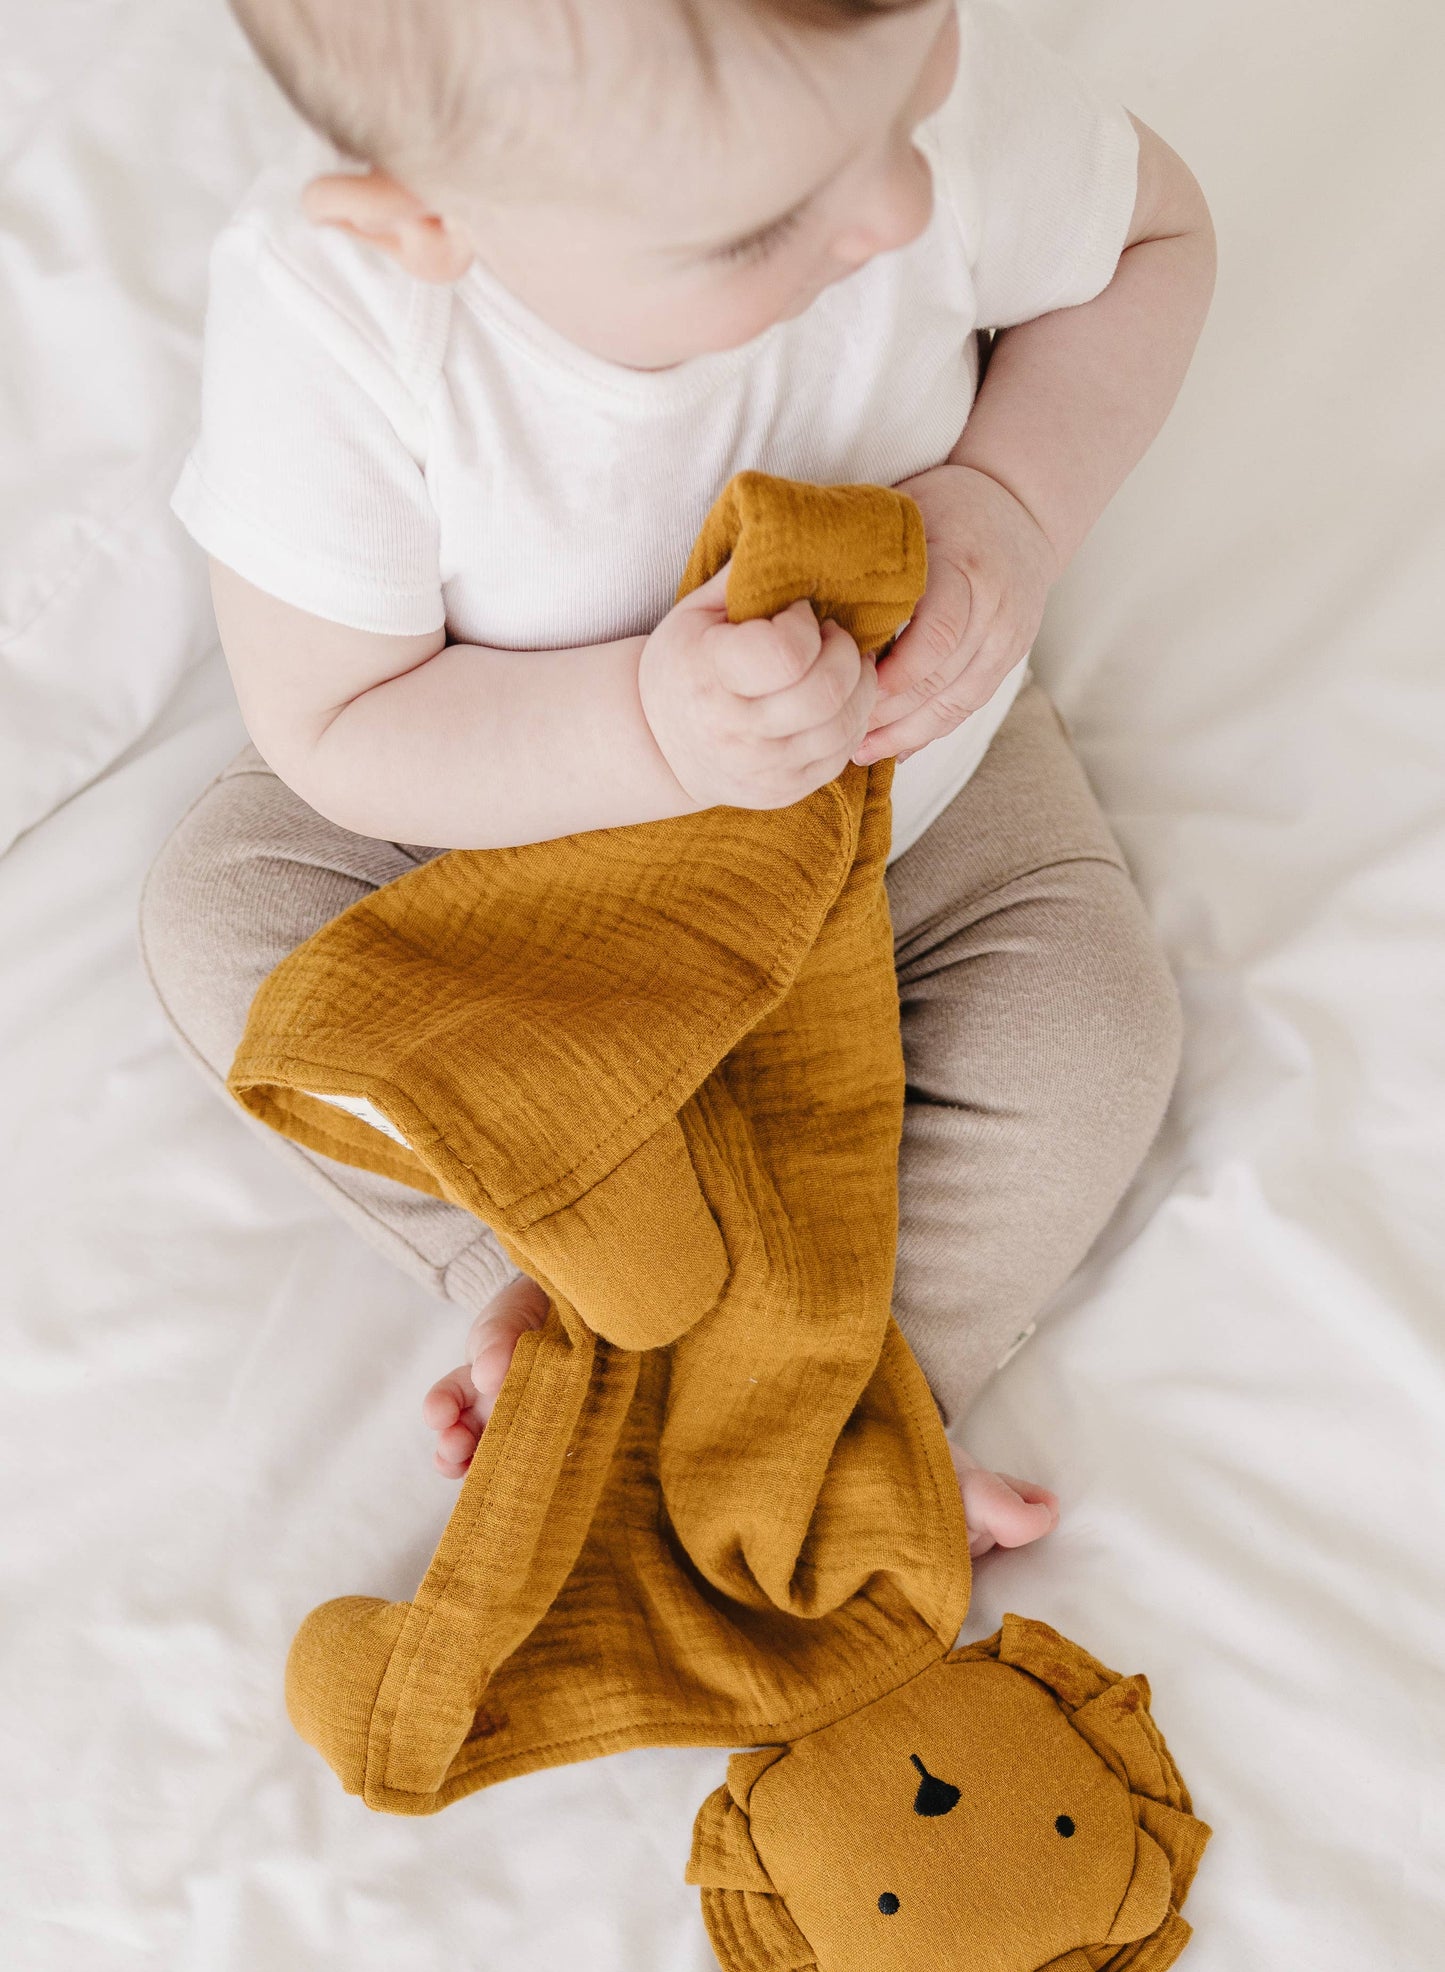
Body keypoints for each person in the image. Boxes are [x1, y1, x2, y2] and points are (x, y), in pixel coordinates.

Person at [141, 0, 1215, 1556]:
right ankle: (555, 1278)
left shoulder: (847, 92)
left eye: (912, 100)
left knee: (1090, 1034)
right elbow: (342, 724)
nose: (902, 212)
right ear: (431, 221)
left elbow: (1151, 242)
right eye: (766, 226)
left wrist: (1008, 503)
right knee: (231, 927)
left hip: (904, 795)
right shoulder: (340, 319)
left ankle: (843, 1394)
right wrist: (638, 733)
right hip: (523, 846)